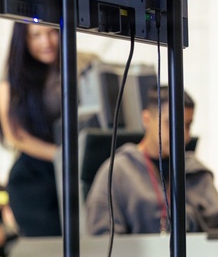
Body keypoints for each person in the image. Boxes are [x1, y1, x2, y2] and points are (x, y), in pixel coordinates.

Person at [0, 23, 98, 237]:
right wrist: (60, 155)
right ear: (23, 40)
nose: (47, 42)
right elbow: (15, 135)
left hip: (77, 170)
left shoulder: (86, 63)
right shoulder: (12, 80)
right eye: (36, 35)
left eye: (52, 32)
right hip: (35, 180)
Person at [86, 88, 218, 235]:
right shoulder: (117, 173)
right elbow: (103, 242)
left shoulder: (198, 174)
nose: (183, 136)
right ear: (147, 120)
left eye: (187, 126)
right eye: (171, 124)